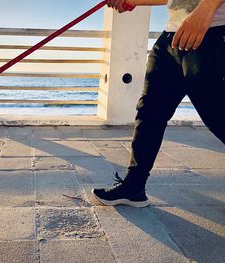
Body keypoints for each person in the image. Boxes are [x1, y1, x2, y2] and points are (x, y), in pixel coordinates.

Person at [92, 0, 225, 207]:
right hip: (171, 38)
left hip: (212, 32)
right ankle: (134, 187)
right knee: (149, 112)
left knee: (217, 116)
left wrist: (207, 8)